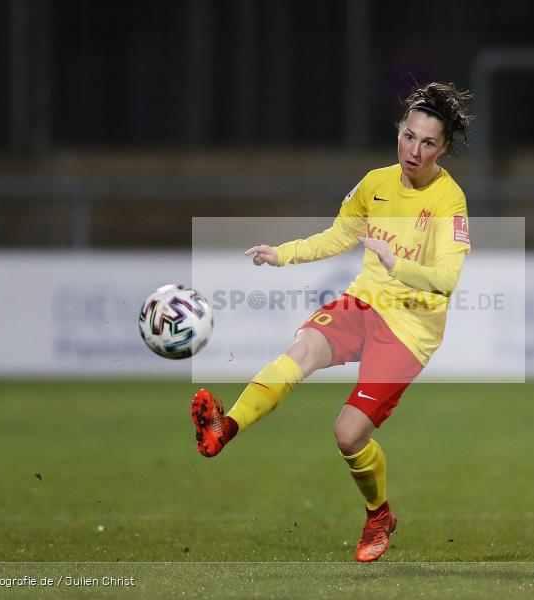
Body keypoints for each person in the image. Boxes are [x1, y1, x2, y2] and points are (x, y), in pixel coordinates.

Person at [191, 81, 473, 562]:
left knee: (348, 435)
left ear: (443, 148)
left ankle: (378, 514)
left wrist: (393, 263)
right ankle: (226, 426)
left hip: (410, 329)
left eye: (428, 143)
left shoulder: (450, 201)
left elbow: (446, 279)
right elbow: (337, 236)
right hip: (362, 303)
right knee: (300, 349)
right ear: (399, 132)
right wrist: (281, 254)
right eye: (409, 136)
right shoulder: (374, 184)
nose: (414, 150)